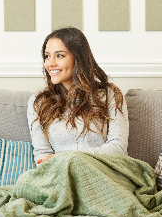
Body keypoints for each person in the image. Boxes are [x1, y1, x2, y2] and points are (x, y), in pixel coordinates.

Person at [28, 27, 128, 165]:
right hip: (60, 176)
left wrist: (70, 159)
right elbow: (42, 155)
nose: (50, 63)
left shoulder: (109, 95)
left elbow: (118, 148)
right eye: (47, 56)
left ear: (78, 58)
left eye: (60, 55)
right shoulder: (38, 102)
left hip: (101, 172)